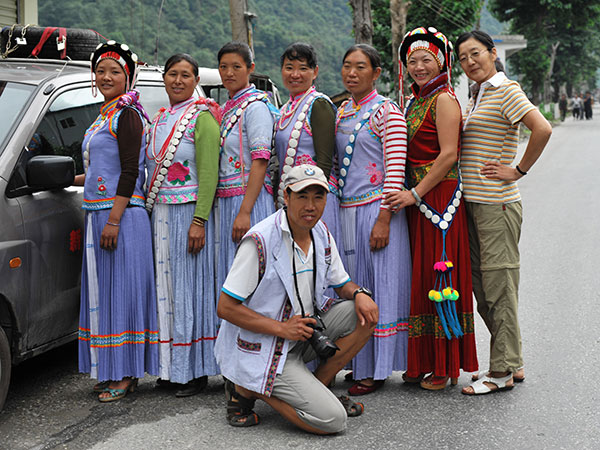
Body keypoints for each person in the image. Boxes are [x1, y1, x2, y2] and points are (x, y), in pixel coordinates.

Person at [214, 164, 379, 434]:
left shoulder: (320, 232)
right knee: (332, 421)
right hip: (265, 343)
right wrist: (282, 328)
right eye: (302, 196)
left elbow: (342, 283)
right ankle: (248, 387)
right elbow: (225, 307)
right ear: (286, 197)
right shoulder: (260, 240)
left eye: (318, 196)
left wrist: (360, 294)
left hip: (302, 333)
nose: (311, 206)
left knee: (363, 313)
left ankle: (318, 386)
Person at [456, 30, 552, 395]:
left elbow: (541, 128)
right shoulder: (477, 94)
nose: (469, 62)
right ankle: (514, 360)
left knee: (498, 287)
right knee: (485, 287)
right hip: (475, 204)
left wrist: (519, 169)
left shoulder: (506, 90)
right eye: (463, 58)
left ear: (493, 53)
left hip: (497, 205)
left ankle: (500, 374)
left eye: (475, 53)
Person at [386, 26, 478, 390]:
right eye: (413, 61)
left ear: (440, 62)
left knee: (441, 278)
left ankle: (445, 365)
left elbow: (448, 155)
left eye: (426, 60)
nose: (419, 67)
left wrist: (415, 194)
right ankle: (422, 358)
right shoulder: (415, 100)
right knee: (419, 277)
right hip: (420, 198)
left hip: (437, 200)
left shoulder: (443, 99)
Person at [75, 41, 158, 402]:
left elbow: (129, 170)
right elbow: (98, 171)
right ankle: (110, 368)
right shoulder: (102, 114)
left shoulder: (127, 115)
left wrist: (113, 219)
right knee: (104, 297)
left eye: (115, 72)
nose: (107, 77)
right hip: (102, 215)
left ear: (129, 77)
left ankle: (125, 375)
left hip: (120, 218)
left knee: (121, 296)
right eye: (101, 70)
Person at [335, 44, 411, 395]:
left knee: (379, 285)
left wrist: (384, 217)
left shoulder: (387, 112)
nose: (352, 73)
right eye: (347, 66)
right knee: (355, 288)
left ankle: (377, 369)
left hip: (377, 211)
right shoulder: (341, 112)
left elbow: (395, 170)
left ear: (376, 73)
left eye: (360, 67)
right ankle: (358, 360)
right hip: (347, 211)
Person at [145, 53, 221, 397]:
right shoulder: (159, 118)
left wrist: (199, 220)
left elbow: (209, 173)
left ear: (195, 81)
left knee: (189, 290)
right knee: (165, 292)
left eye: (185, 75)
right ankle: (169, 368)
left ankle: (193, 371)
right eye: (172, 74)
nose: (178, 81)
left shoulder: (202, 117)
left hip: (187, 213)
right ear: (164, 78)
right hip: (158, 214)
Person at [215, 42, 278, 292]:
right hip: (228, 201)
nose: (229, 73)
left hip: (248, 200)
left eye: (236, 67)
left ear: (250, 68)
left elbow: (260, 161)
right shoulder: (226, 109)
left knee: (251, 273)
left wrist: (245, 211)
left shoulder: (255, 107)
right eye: (223, 67)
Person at [273, 43, 342, 249]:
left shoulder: (318, 104)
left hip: (314, 200)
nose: (295, 74)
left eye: (303, 68)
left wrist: (312, 202)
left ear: (315, 72)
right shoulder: (285, 108)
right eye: (289, 67)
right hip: (293, 199)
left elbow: (324, 161)